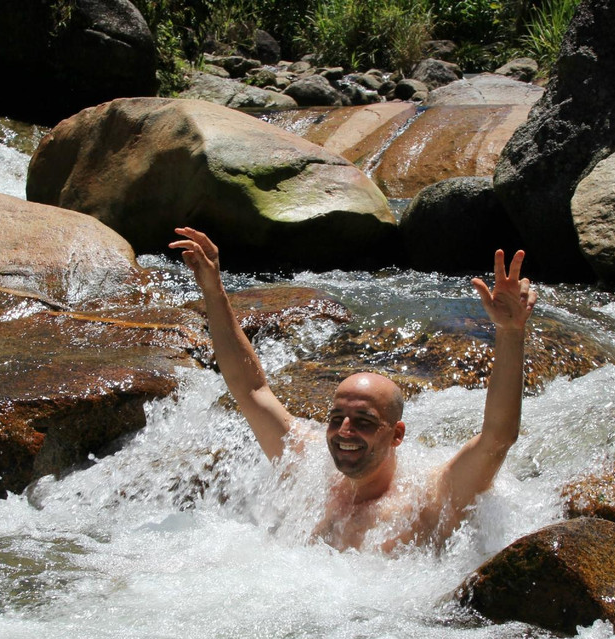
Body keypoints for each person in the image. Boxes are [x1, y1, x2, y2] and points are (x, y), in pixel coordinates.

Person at [169, 226, 537, 553]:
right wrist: (214, 290)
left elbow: (497, 437)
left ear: (396, 434)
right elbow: (251, 390)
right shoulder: (308, 465)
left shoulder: (430, 497)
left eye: (364, 421)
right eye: (336, 418)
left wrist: (510, 332)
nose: (344, 431)